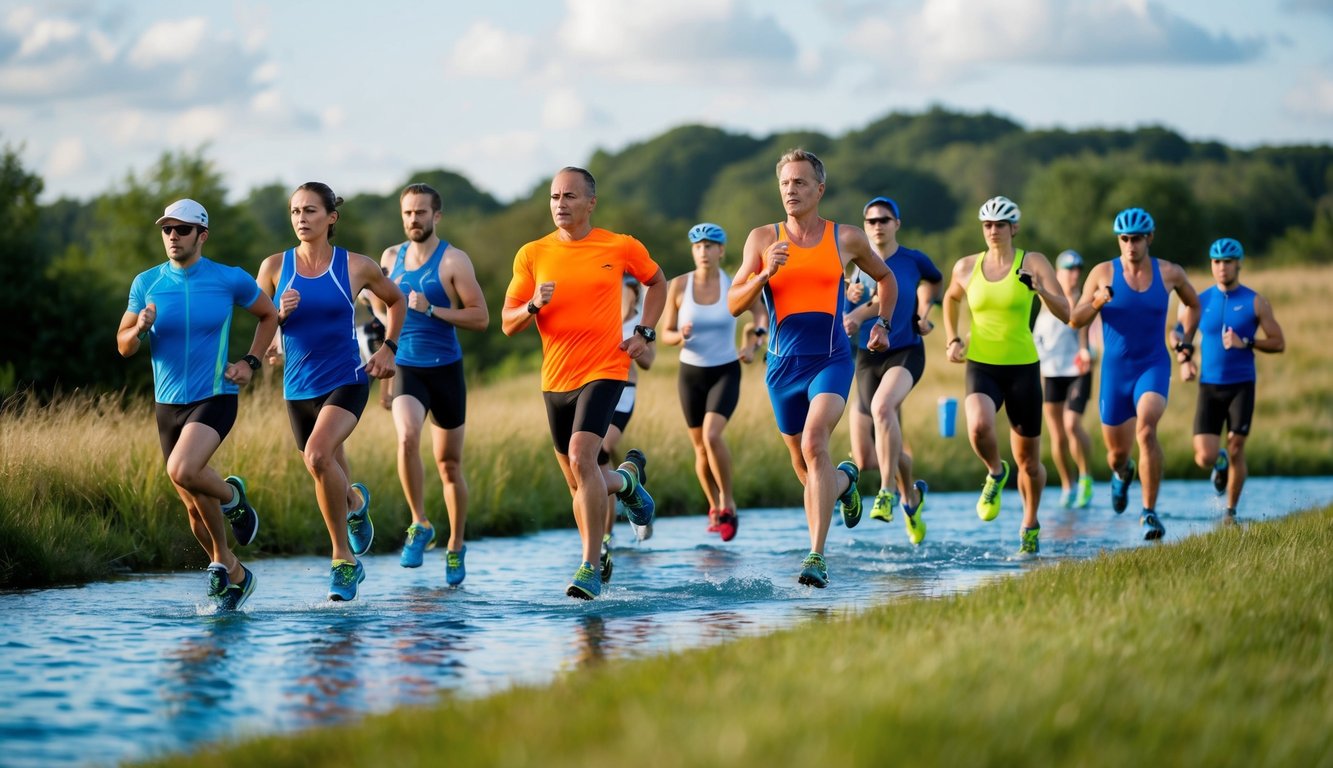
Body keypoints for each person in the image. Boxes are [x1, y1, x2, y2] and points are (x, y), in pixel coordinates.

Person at [727, 148, 898, 588]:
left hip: (831, 359)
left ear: (819, 189)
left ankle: (816, 558)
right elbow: (733, 303)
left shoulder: (846, 237)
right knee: (806, 470)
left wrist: (882, 323)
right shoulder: (762, 238)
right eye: (785, 183)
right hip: (782, 368)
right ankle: (845, 483)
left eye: (800, 183)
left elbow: (886, 279)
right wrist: (764, 274)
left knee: (815, 441)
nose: (791, 190)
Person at [501, 166, 666, 600]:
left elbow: (657, 282)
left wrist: (645, 331)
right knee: (580, 483)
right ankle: (628, 480)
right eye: (555, 196)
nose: (560, 204)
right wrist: (533, 305)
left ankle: (590, 565)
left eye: (570, 196)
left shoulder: (619, 245)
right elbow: (507, 322)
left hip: (605, 369)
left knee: (581, 457)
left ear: (590, 203)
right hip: (556, 379)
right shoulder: (531, 254)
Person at [117, 199, 278, 610]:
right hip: (167, 405)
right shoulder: (147, 283)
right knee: (191, 505)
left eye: (182, 229)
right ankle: (232, 571)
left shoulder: (229, 279)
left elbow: (268, 315)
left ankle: (233, 499)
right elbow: (123, 346)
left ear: (201, 235)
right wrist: (139, 327)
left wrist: (250, 362)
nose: (173, 236)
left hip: (215, 395)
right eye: (167, 229)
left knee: (184, 469)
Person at [257, 182, 406, 601]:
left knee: (318, 455)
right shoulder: (272, 267)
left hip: (346, 377)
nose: (301, 219)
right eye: (294, 212)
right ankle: (356, 504)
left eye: (310, 211)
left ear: (331, 217)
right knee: (323, 468)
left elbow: (397, 303)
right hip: (297, 387)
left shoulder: (356, 265)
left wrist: (389, 350)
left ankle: (343, 561)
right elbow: (263, 323)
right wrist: (275, 326)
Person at [941, 196, 1069, 558]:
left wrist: (1040, 290)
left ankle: (1030, 522)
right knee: (979, 427)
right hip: (982, 364)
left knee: (1029, 462)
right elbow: (951, 299)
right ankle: (996, 472)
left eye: (1001, 224)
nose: (993, 231)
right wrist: (952, 337)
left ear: (1014, 227)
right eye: (987, 225)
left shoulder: (1034, 262)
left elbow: (1066, 312)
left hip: (1023, 367)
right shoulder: (966, 266)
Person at [376, 183, 489, 585]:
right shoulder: (391, 258)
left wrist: (435, 310)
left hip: (446, 370)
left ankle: (456, 545)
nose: (413, 220)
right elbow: (381, 305)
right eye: (408, 213)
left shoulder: (454, 261)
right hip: (407, 366)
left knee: (449, 465)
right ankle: (419, 522)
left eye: (421, 212)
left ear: (436, 216)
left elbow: (480, 317)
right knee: (407, 438)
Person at [1070, 207, 1199, 540]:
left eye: (1137, 238)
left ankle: (1148, 512)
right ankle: (1122, 473)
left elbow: (1194, 304)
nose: (1130, 245)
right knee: (1116, 455)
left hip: (1152, 365)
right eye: (1125, 239)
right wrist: (1097, 301)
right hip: (1115, 373)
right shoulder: (1102, 273)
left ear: (1149, 238)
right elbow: (1076, 319)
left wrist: (1185, 338)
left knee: (1146, 430)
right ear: (1119, 240)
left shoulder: (1169, 273)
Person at [842, 196, 942, 546]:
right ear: (865, 226)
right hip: (868, 358)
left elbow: (933, 281)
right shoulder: (853, 265)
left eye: (885, 219)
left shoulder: (913, 260)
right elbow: (843, 314)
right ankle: (911, 496)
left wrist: (925, 311)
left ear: (896, 223)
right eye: (871, 221)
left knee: (884, 409)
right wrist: (848, 297)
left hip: (906, 351)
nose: (878, 225)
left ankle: (885, 492)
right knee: (867, 455)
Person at [660, 223, 767, 542]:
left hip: (725, 370)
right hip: (690, 374)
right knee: (700, 450)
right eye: (698, 247)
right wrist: (681, 335)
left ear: (721, 251)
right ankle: (714, 506)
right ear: (693, 251)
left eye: (710, 246)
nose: (704, 252)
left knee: (712, 435)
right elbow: (664, 334)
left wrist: (754, 342)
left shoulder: (734, 284)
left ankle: (729, 503)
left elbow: (760, 315)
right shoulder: (678, 286)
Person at [1175, 238, 1284, 518]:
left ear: (1238, 265)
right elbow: (1176, 335)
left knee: (1236, 446)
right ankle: (1219, 463)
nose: (1222, 267)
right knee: (1204, 457)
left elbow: (1278, 342)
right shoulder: (1198, 301)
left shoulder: (1255, 301)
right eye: (1216, 262)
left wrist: (1246, 342)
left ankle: (1230, 512)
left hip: (1241, 385)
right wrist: (1184, 360)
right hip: (1209, 386)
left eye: (1227, 262)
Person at [596, 274, 656, 583]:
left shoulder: (637, 321)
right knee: (594, 462)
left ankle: (605, 535)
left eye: (626, 291)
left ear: (633, 293)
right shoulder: (598, 311)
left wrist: (637, 343)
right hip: (594, 391)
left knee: (602, 450)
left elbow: (649, 363)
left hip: (624, 392)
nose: (621, 296)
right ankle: (630, 485)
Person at [1032, 249, 1096, 509]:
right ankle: (1068, 486)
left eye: (1077, 269)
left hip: (1078, 372)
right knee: (1057, 435)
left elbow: (1086, 331)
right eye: (1068, 269)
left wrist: (1087, 350)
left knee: (1072, 425)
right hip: (1051, 372)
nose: (1074, 274)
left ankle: (1085, 478)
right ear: (1058, 273)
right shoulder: (1050, 301)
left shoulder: (1084, 300)